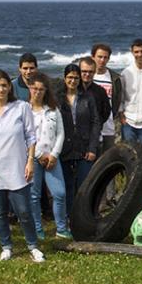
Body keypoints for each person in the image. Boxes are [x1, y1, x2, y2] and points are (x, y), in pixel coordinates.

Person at [0, 70, 45, 263]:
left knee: (24, 211)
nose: (1, 89)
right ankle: (6, 246)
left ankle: (33, 245)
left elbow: (31, 136)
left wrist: (30, 160)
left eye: (4, 85)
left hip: (17, 168)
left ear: (10, 87)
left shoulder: (21, 107)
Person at [27, 74, 70, 239]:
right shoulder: (24, 110)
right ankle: (37, 229)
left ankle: (61, 228)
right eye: (35, 88)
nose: (38, 92)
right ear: (30, 89)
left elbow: (60, 133)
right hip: (33, 158)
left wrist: (53, 155)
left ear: (46, 91)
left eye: (41, 89)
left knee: (59, 193)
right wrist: (38, 155)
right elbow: (23, 136)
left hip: (52, 158)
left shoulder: (53, 109)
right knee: (34, 195)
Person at [57, 64, 100, 223]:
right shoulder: (57, 97)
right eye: (70, 77)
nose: (73, 80)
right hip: (64, 149)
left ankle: (83, 217)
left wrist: (92, 148)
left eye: (76, 77)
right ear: (64, 78)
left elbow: (96, 123)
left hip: (84, 148)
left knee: (84, 185)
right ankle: (68, 217)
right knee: (67, 186)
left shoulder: (87, 97)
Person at [91, 43, 124, 153]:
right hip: (90, 127)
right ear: (93, 57)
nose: (102, 60)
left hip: (108, 127)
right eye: (99, 57)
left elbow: (118, 100)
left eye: (105, 57)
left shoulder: (114, 78)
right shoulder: (87, 76)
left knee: (107, 163)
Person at [78, 56, 113, 153]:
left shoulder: (100, 91)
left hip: (94, 138)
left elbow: (106, 111)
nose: (87, 74)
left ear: (94, 72)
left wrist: (97, 124)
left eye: (90, 72)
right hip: (74, 140)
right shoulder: (72, 89)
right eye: (84, 71)